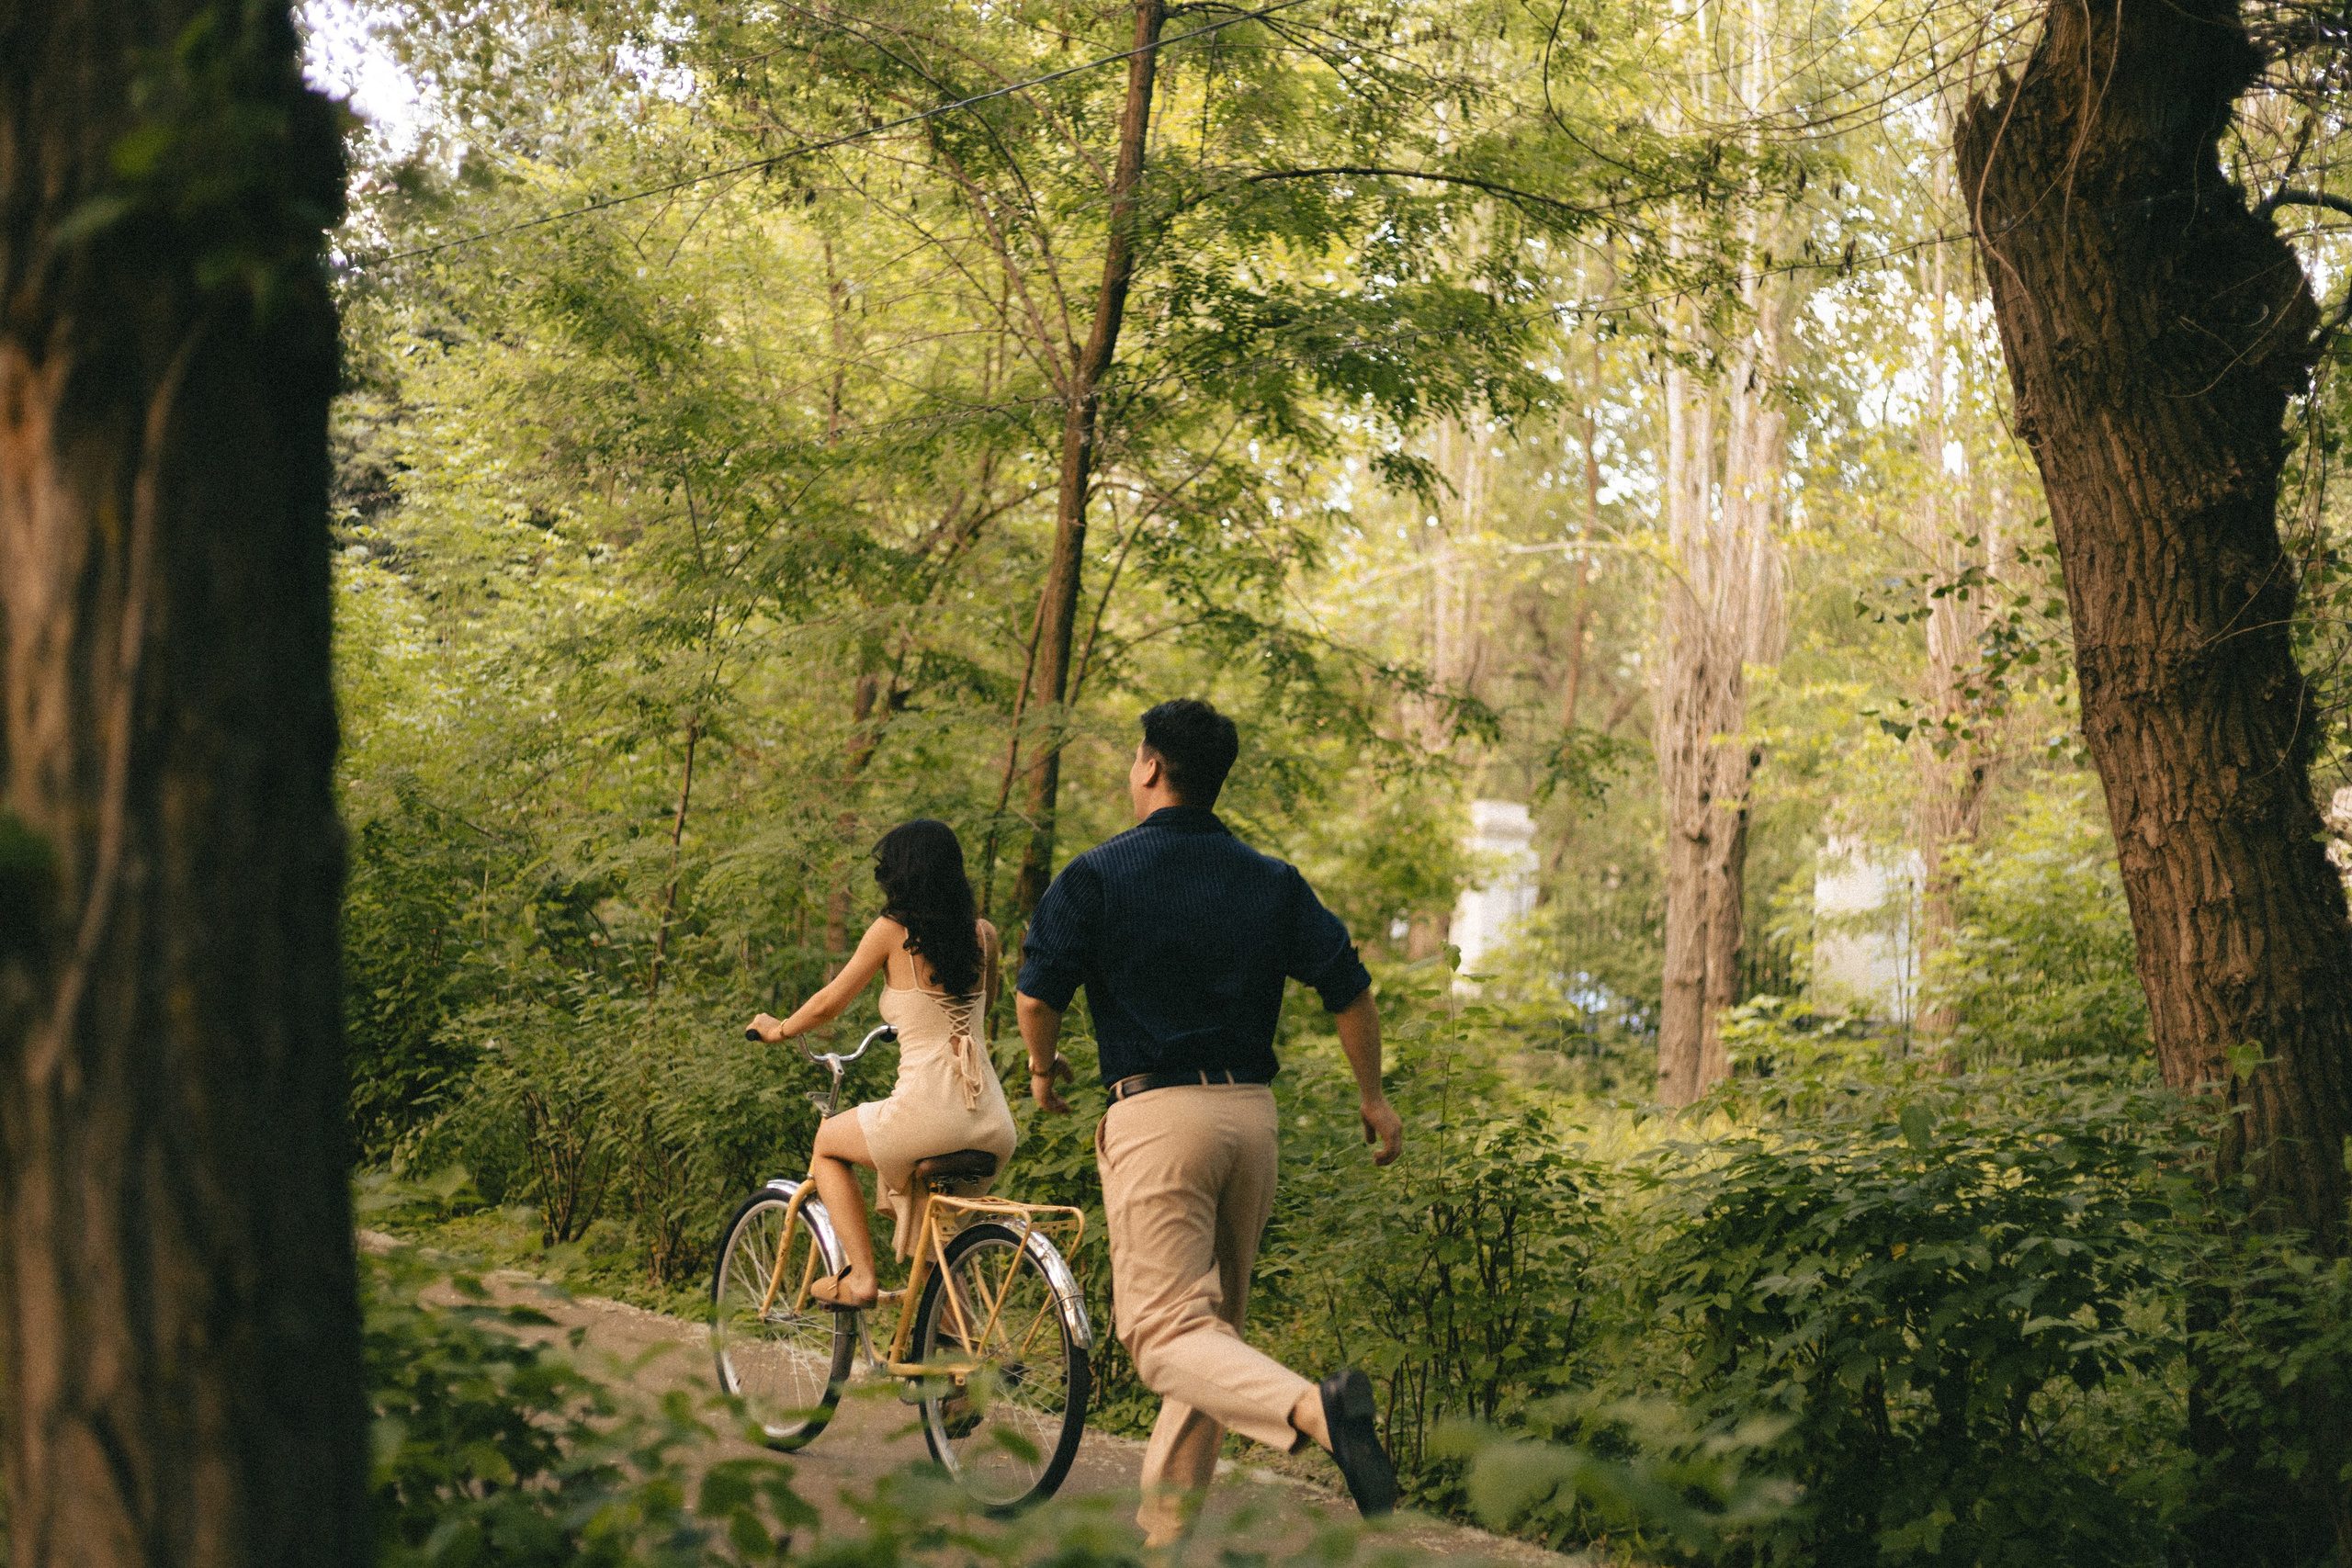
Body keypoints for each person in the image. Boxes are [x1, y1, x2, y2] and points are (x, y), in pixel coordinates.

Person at [1016, 698, 1404, 1545]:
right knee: (1210, 1339)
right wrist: (1373, 1096)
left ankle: (1316, 1409)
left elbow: (1037, 994)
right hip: (1250, 1120)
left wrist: (1043, 1072)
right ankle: (1164, 1548)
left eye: (1132, 759)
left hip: (1159, 1115)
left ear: (1152, 766)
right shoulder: (1269, 878)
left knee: (1163, 1340)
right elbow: (1349, 986)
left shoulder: (1097, 873)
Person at [746, 818, 1016, 1309]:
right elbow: (985, 1002)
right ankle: (947, 1358)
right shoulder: (984, 936)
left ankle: (861, 1278)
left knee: (827, 1144)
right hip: (992, 1122)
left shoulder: (891, 932)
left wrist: (778, 1028)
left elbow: (829, 1003)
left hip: (927, 1116)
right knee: (938, 1256)